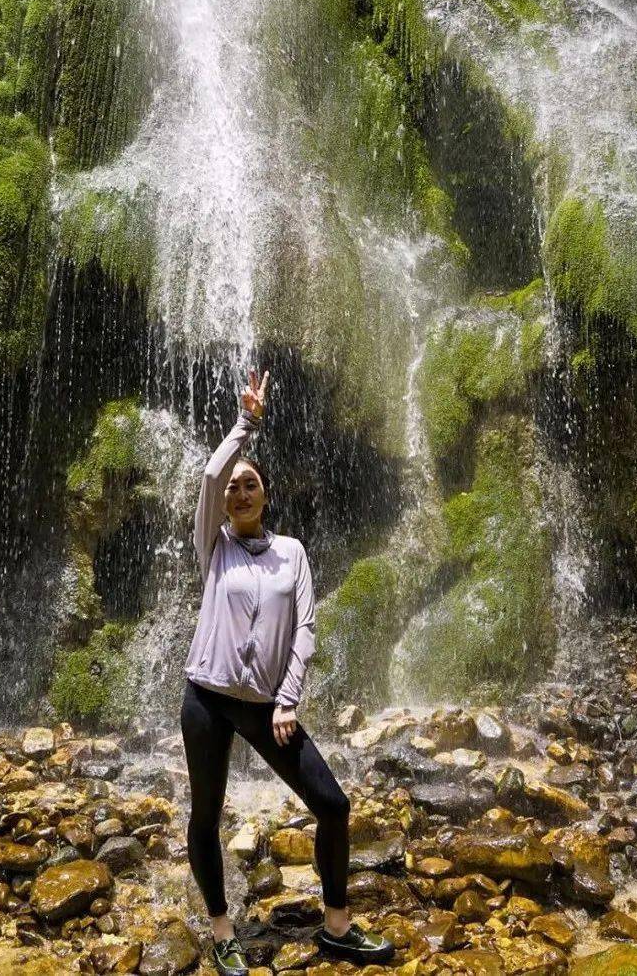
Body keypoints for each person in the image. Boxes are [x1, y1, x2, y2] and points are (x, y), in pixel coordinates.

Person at [181, 368, 393, 976]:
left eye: (250, 486)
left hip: (266, 706)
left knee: (333, 804)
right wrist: (245, 424)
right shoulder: (212, 546)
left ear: (266, 495)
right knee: (206, 814)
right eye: (234, 489)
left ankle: (337, 927)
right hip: (205, 699)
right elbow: (209, 473)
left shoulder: (291, 552)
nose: (239, 493)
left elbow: (305, 628)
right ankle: (223, 932)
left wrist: (287, 698)